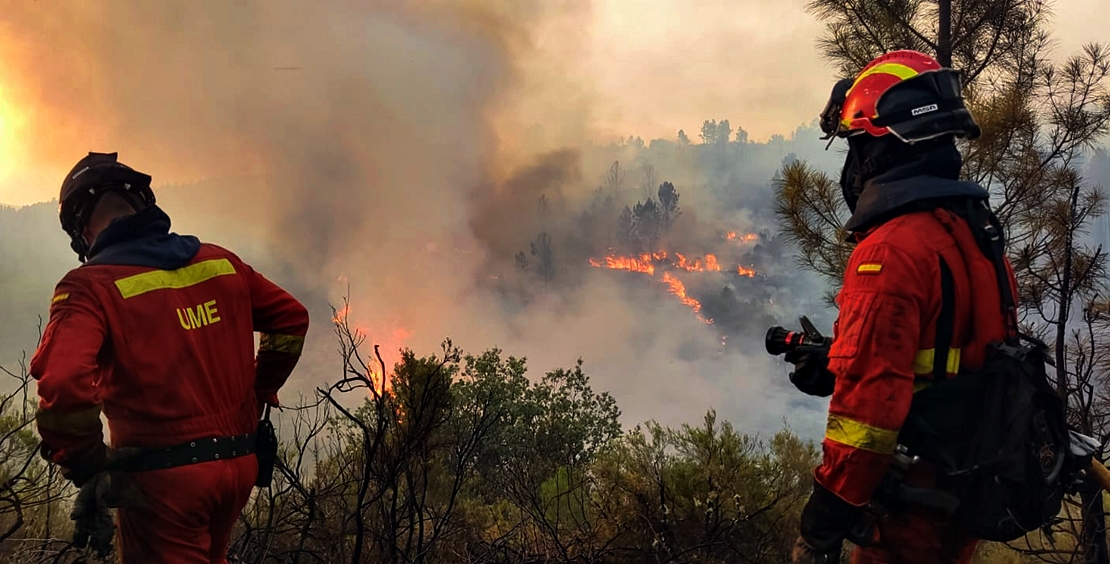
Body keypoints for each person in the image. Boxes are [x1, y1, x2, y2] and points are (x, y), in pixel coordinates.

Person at [784, 50, 1021, 563]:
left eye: (857, 146)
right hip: (960, 499)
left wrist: (823, 521)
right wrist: (841, 363)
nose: (854, 165)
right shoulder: (972, 232)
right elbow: (946, 357)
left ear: (882, 147)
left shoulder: (890, 251)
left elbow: (866, 417)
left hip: (910, 510)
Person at [30, 152, 311, 563]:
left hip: (162, 486)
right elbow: (291, 321)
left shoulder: (90, 287)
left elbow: (61, 383)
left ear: (79, 230)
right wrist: (259, 390)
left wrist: (86, 461)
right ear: (143, 203)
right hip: (238, 467)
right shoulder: (220, 262)